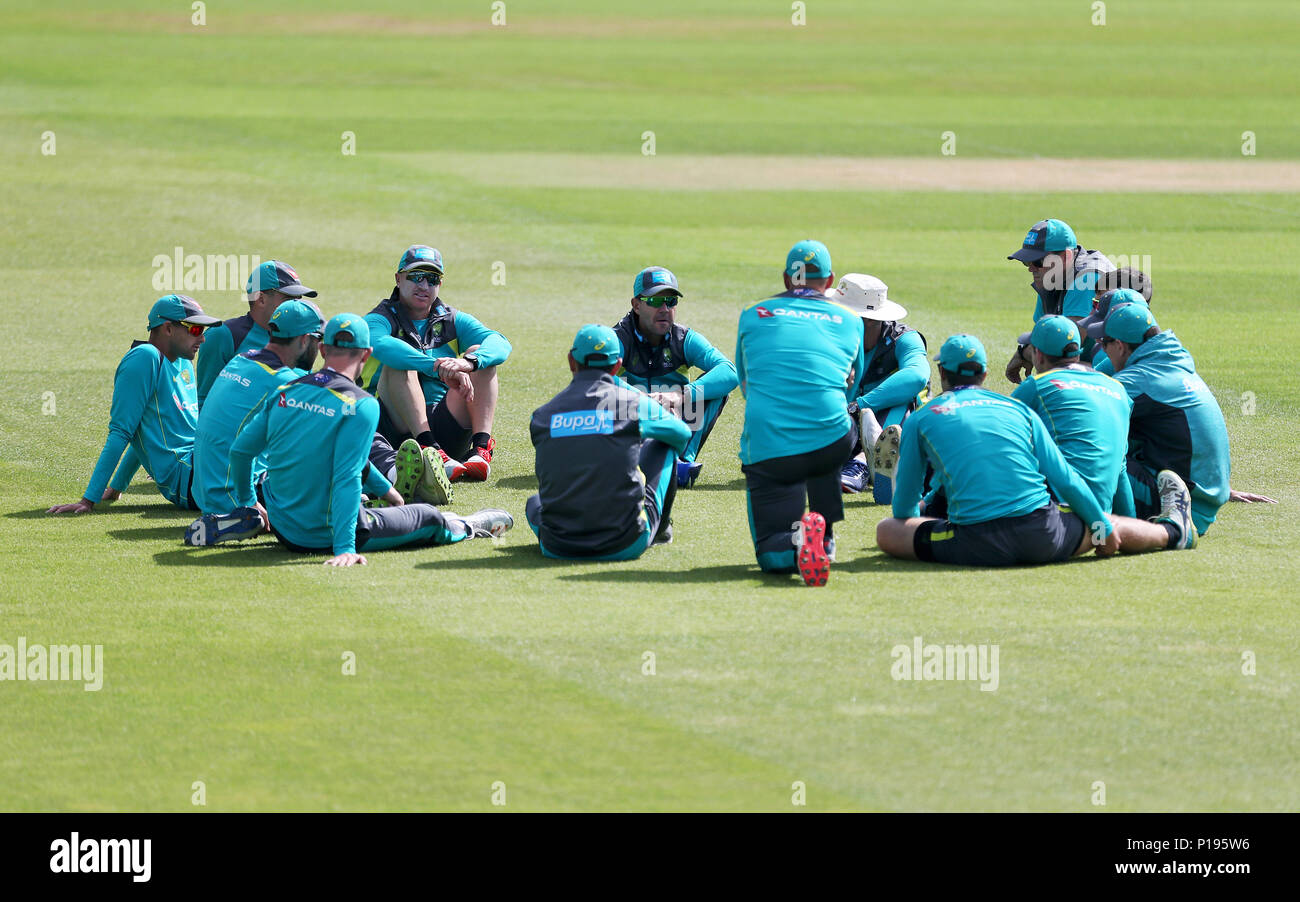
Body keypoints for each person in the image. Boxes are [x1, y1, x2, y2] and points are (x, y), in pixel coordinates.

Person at [875, 334, 1198, 566]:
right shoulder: (1021, 412)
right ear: (985, 374)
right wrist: (1101, 526)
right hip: (1045, 535)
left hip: (974, 545)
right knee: (1107, 522)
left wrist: (916, 515)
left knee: (889, 530)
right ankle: (1171, 533)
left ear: (942, 372)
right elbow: (1067, 479)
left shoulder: (922, 416)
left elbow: (903, 512)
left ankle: (896, 482)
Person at [218, 314, 512, 566]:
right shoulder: (360, 404)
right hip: (322, 535)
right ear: (367, 355)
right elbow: (346, 475)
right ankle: (468, 525)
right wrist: (346, 548)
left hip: (281, 524)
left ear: (322, 349)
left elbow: (241, 451)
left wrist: (248, 505)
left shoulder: (285, 389)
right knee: (427, 518)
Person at [735, 240, 865, 585]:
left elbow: (745, 382)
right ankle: (825, 535)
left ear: (785, 278)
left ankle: (793, 546)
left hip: (770, 443)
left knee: (771, 556)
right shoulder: (851, 320)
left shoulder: (754, 312)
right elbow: (852, 387)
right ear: (831, 279)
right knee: (830, 431)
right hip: (830, 438)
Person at [526, 324, 690, 560]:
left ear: (572, 361)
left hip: (557, 546)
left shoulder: (541, 415)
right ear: (617, 366)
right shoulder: (633, 404)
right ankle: (661, 530)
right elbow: (682, 434)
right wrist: (640, 436)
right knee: (663, 443)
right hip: (626, 542)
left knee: (535, 503)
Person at [48, 295, 219, 515]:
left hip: (203, 462)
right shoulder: (144, 358)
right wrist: (88, 500)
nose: (203, 339)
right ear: (168, 328)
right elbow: (122, 432)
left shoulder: (184, 361)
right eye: (195, 330)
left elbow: (144, 428)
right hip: (191, 476)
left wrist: (117, 486)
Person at [364, 245, 511, 484]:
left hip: (446, 424)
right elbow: (379, 344)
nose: (424, 286)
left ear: (440, 285)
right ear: (398, 279)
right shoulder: (379, 318)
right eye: (416, 277)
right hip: (399, 432)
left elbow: (500, 343)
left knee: (479, 354)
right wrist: (436, 367)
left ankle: (481, 451)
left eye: (432, 279)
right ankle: (428, 447)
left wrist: (468, 363)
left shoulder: (453, 319)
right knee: (398, 361)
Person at [183, 300, 326, 544]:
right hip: (237, 491)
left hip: (204, 491)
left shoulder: (242, 360)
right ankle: (249, 514)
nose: (320, 347)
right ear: (304, 340)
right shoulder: (283, 382)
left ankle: (240, 516)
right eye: (318, 339)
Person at [1088, 303, 1231, 537]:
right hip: (1200, 501)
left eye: (1104, 343)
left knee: (1079, 452)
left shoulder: (1140, 379)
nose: (1102, 349)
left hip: (1179, 505)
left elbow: (1078, 415)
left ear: (1120, 346)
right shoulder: (1172, 364)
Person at [612, 266, 738, 487]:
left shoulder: (684, 339)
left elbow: (729, 372)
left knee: (716, 386)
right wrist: (643, 400)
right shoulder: (618, 338)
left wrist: (682, 395)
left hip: (674, 426)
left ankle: (681, 462)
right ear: (636, 305)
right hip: (632, 426)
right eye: (655, 301)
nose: (664, 308)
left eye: (670, 301)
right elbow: (595, 378)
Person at [1010, 316, 1134, 514]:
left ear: (1038, 355)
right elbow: (1120, 470)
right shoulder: (1118, 390)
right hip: (1101, 520)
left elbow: (1000, 437)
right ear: (1076, 354)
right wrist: (1129, 528)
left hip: (1056, 516)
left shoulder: (1035, 386)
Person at [825, 273, 929, 502]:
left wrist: (860, 405)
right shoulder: (829, 338)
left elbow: (917, 375)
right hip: (844, 423)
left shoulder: (904, 339)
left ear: (869, 319)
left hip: (903, 426)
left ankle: (863, 463)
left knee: (900, 399)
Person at [1005, 219, 1115, 383]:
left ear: (1065, 256)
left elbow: (1063, 346)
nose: (1031, 268)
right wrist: (1028, 350)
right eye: (1026, 261)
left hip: (1112, 374)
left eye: (1037, 261)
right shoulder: (1051, 276)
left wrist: (1025, 353)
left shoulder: (1087, 277)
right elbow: (1043, 333)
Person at [196, 260, 317, 407]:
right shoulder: (222, 336)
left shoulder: (303, 338)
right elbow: (205, 401)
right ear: (261, 299)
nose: (296, 306)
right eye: (289, 299)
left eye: (299, 299)